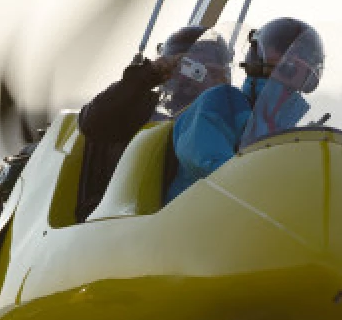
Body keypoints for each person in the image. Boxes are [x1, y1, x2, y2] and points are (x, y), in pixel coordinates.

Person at [73, 26, 232, 220]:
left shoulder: (225, 114)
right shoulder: (141, 107)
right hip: (123, 217)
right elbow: (92, 122)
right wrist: (150, 73)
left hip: (196, 216)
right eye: (185, 64)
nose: (193, 73)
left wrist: (221, 92)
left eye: (205, 67)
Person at [165, 17, 324, 203]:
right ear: (256, 56)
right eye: (282, 48)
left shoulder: (293, 136)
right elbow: (204, 159)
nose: (292, 59)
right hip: (195, 219)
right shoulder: (223, 101)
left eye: (304, 56)